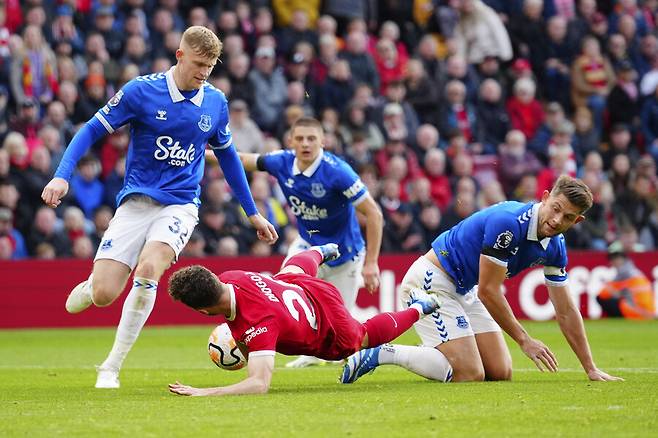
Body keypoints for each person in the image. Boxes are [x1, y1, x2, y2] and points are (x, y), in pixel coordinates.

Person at [41, 26, 278, 389]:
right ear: (180, 55)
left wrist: (252, 212)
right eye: (199, 64)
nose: (204, 73)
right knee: (105, 295)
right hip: (136, 204)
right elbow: (91, 130)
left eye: (211, 67)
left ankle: (111, 367)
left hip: (181, 205)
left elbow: (228, 157)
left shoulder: (215, 102)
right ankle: (93, 288)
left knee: (150, 267)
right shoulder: (141, 91)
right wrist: (62, 176)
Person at [341, 175, 623, 384]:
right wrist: (524, 340)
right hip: (432, 282)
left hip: (464, 289)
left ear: (577, 222)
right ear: (545, 197)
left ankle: (438, 353)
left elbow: (565, 310)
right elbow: (489, 291)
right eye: (556, 208)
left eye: (568, 217)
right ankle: (381, 353)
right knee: (470, 373)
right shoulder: (509, 224)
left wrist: (590, 367)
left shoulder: (556, 246)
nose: (556, 219)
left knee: (500, 372)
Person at [167, 244, 443, 396]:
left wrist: (204, 392)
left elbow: (259, 385)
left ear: (204, 311)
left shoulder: (257, 327)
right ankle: (321, 252)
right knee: (289, 271)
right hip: (302, 288)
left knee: (359, 339)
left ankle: (420, 307)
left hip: (326, 320)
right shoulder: (231, 277)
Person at [239, 116, 383, 368]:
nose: (306, 144)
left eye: (312, 138)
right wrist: (199, 149)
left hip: (344, 254)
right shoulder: (281, 161)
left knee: (343, 331)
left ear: (323, 142)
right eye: (300, 138)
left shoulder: (338, 172)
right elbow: (241, 160)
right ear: (290, 141)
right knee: (285, 293)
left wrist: (371, 263)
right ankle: (306, 354)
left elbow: (374, 213)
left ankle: (365, 355)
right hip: (308, 246)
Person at [596, 243, 656, 320]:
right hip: (648, 311)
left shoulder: (624, 274)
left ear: (623, 258)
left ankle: (618, 320)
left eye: (617, 258)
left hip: (637, 312)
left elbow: (603, 293)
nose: (614, 261)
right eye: (613, 258)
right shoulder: (635, 272)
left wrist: (609, 287)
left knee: (603, 298)